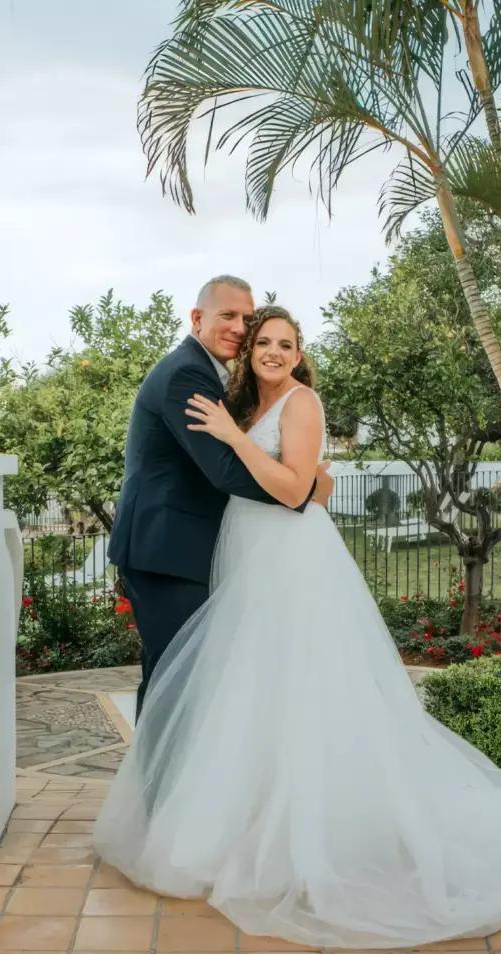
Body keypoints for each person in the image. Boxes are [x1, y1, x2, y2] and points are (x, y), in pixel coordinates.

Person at [94, 305, 501, 949]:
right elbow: (290, 483)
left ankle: (307, 836)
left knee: (301, 691)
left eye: (283, 343)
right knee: (251, 694)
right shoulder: (244, 405)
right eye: (261, 341)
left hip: (288, 563)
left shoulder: (300, 403)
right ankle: (249, 821)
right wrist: (263, 450)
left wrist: (239, 442)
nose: (269, 350)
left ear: (298, 355)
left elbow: (294, 491)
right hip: (248, 555)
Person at [105, 275, 330, 720]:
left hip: (184, 549)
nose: (239, 328)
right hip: (167, 552)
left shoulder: (225, 380)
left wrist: (301, 479)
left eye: (247, 318)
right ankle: (164, 786)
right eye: (227, 316)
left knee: (177, 676)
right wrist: (301, 489)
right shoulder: (188, 372)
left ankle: (164, 785)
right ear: (197, 318)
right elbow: (225, 470)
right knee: (177, 677)